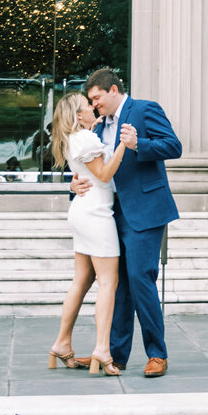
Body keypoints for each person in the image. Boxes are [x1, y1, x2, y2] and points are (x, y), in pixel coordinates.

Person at [70, 68, 182, 378]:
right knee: (116, 284)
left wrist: (139, 144)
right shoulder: (97, 126)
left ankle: (157, 354)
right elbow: (93, 165)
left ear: (114, 90)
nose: (94, 106)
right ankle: (114, 355)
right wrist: (74, 185)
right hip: (108, 213)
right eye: (91, 101)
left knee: (139, 278)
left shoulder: (145, 109)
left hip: (145, 210)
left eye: (97, 98)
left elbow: (174, 146)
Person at [46, 92, 126, 376]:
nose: (92, 107)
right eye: (86, 105)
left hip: (82, 210)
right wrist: (122, 147)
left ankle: (62, 343)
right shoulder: (85, 139)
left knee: (82, 280)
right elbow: (104, 175)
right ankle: (102, 350)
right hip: (96, 214)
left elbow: (89, 174)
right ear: (79, 116)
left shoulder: (77, 138)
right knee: (108, 282)